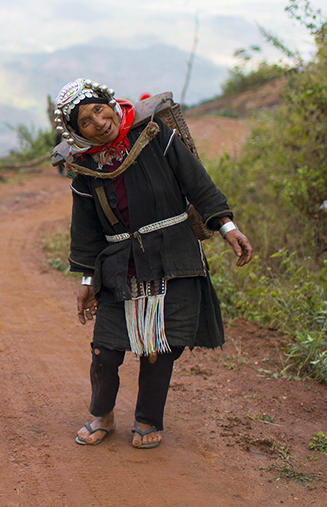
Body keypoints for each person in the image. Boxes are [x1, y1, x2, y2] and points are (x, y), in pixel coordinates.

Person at [54, 78, 253, 449]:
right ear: (77, 132)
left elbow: (200, 185)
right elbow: (85, 232)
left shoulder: (156, 138)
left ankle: (147, 418)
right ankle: (103, 414)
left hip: (173, 255)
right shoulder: (84, 170)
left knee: (162, 347)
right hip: (119, 263)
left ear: (112, 104)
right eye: (85, 121)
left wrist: (228, 227)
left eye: (99, 109)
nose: (98, 121)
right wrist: (86, 282)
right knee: (105, 348)